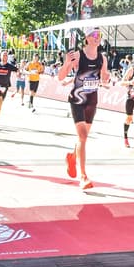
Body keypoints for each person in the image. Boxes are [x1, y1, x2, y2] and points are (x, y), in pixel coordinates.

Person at [58, 27, 110, 189]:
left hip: (92, 100)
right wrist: (67, 63)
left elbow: (104, 78)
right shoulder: (78, 55)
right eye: (94, 35)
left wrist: (106, 78)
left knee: (83, 138)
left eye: (99, 35)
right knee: (83, 136)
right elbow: (60, 77)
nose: (97, 37)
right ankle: (83, 176)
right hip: (77, 99)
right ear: (86, 38)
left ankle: (73, 157)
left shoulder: (102, 58)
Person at [0, 51, 19, 126]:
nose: (5, 56)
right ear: (0, 56)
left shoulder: (9, 66)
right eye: (3, 55)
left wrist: (18, 73)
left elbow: (17, 70)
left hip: (5, 86)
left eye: (6, 55)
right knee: (0, 99)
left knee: (1, 101)